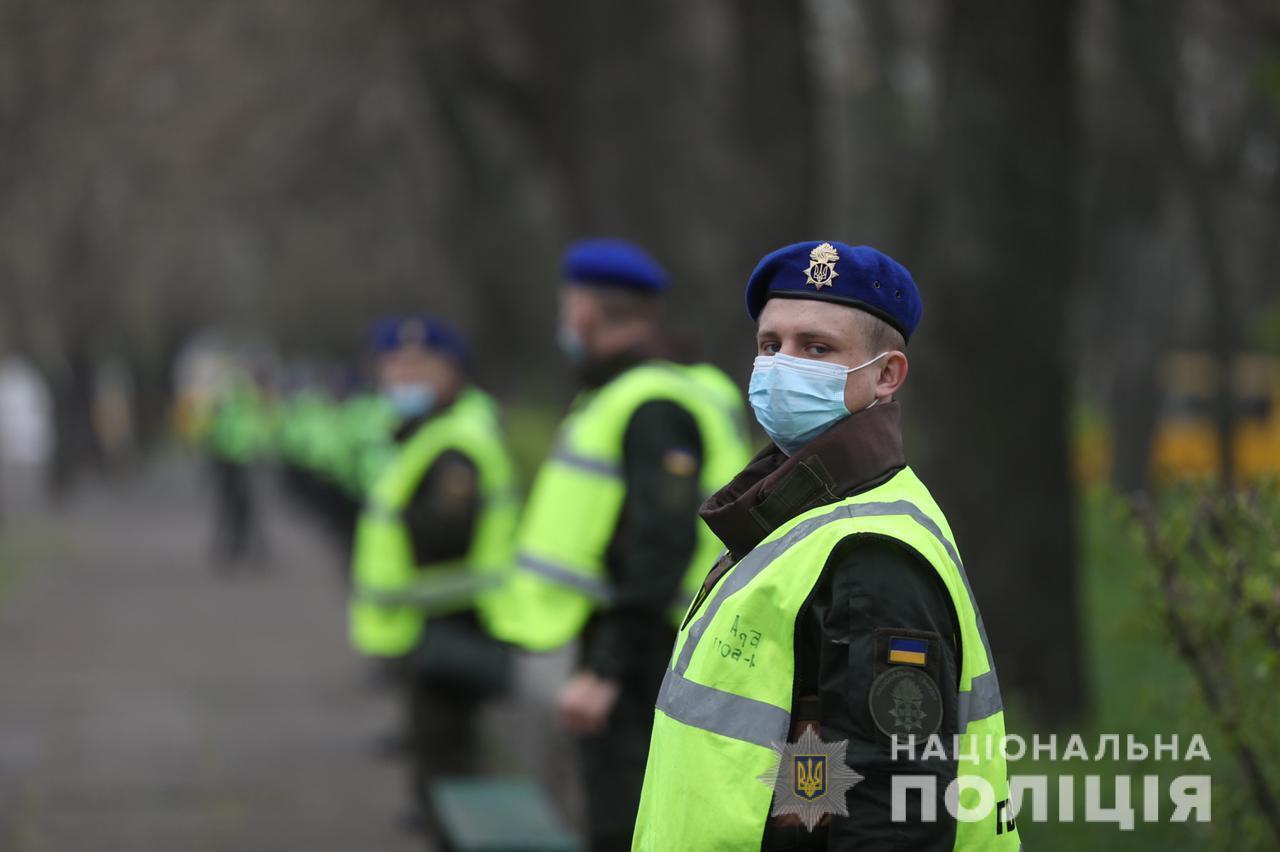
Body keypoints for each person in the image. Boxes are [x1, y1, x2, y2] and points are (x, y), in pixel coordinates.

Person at [631, 242, 1020, 851]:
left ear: (886, 375)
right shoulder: (799, 510)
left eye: (817, 348)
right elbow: (809, 759)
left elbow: (893, 812)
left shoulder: (872, 551)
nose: (782, 365)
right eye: (770, 345)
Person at [488, 239, 752, 852]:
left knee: (626, 821)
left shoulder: (652, 402)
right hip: (647, 642)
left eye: (567, 307)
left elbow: (660, 542)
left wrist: (606, 669)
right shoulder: (640, 391)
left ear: (584, 312)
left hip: (646, 652)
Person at [348, 314, 519, 832]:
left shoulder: (454, 444)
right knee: (439, 761)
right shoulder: (425, 434)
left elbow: (445, 541)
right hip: (431, 625)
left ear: (453, 372)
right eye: (394, 365)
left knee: (451, 768)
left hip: (450, 623)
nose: (403, 377)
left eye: (419, 367)